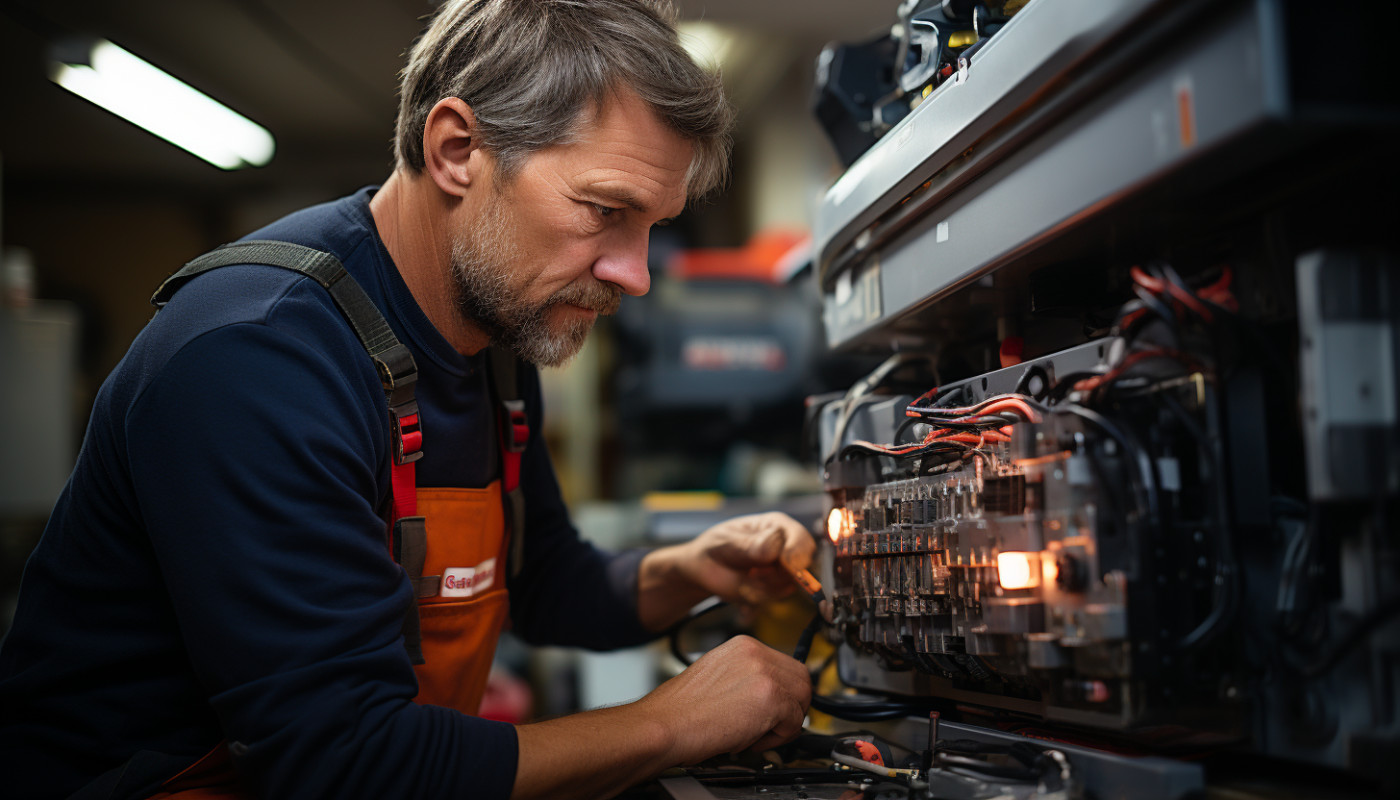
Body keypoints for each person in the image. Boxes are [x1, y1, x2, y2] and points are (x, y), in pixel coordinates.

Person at [0, 1, 815, 798]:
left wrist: (693, 570)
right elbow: (339, 764)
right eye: (605, 211)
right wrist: (673, 723)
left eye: (652, 228)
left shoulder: (494, 329)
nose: (633, 274)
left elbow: (541, 581)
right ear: (458, 149)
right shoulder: (257, 355)